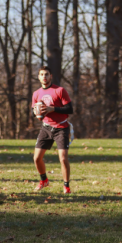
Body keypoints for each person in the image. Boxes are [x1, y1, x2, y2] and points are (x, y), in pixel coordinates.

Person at [32, 66, 73, 194]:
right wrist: (37, 113)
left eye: (46, 74)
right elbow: (34, 110)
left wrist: (52, 109)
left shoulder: (60, 90)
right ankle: (44, 180)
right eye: (42, 75)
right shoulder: (36, 94)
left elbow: (69, 109)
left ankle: (66, 186)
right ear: (38, 77)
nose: (44, 77)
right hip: (46, 128)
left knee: (63, 158)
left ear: (51, 76)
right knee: (37, 158)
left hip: (61, 128)